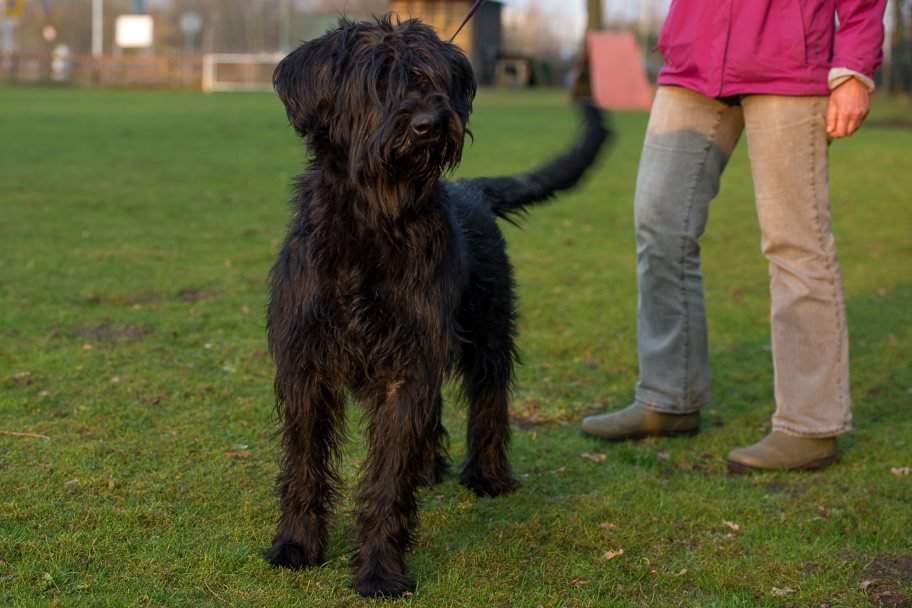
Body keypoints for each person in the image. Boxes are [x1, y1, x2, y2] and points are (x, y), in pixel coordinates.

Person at [581, 0, 887, 472]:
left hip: (788, 63)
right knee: (659, 226)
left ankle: (809, 425)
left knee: (794, 244)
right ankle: (669, 396)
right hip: (693, 63)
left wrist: (853, 68)